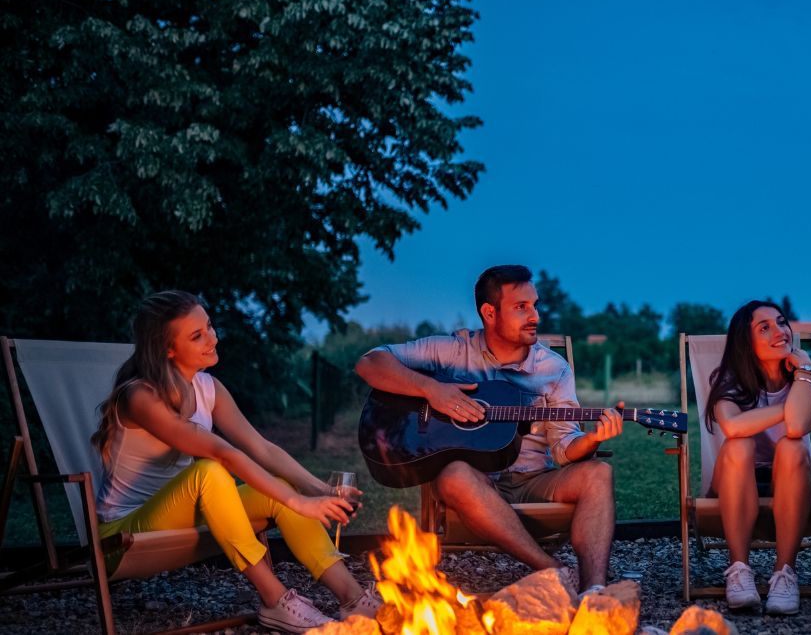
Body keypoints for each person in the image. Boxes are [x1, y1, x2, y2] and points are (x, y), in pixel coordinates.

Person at [93, 291, 381, 633]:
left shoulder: (208, 388)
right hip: (125, 534)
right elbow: (222, 453)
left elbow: (262, 449)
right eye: (197, 336)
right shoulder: (140, 396)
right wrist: (300, 502)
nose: (212, 338)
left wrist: (320, 491)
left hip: (186, 514)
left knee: (277, 488)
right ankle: (276, 601)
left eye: (209, 327)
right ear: (167, 349)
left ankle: (353, 598)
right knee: (209, 471)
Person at [354, 264, 623, 594]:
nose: (535, 316)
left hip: (534, 480)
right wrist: (432, 390)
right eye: (521, 307)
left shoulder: (553, 369)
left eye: (535, 305)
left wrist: (592, 438)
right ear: (490, 313)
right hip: (476, 483)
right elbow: (370, 362)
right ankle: (553, 571)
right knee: (453, 476)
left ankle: (594, 591)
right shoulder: (452, 353)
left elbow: (564, 448)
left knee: (599, 473)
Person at [705, 300, 811, 615]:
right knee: (738, 444)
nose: (780, 332)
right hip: (735, 480)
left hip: (789, 479)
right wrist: (789, 407)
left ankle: (785, 574)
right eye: (765, 328)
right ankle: (739, 570)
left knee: (793, 446)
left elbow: (797, 426)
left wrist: (805, 371)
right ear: (746, 341)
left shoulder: (808, 381)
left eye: (781, 323)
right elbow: (732, 426)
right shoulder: (728, 380)